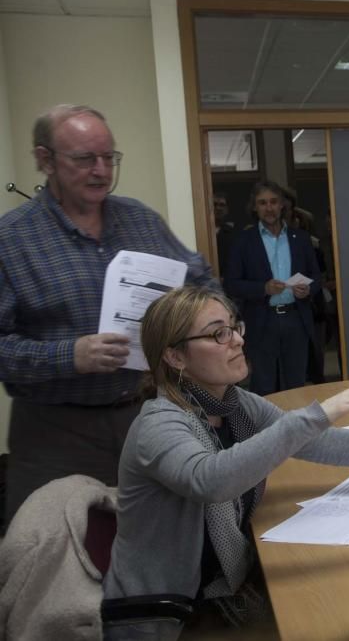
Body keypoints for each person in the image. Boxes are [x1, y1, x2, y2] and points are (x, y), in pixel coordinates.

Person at [102, 286, 349, 637]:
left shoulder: (233, 403)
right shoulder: (159, 423)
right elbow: (212, 480)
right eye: (217, 334)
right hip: (175, 616)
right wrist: (321, 412)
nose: (237, 340)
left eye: (234, 327)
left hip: (224, 594)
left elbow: (318, 442)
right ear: (176, 357)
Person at [0, 104, 217, 528]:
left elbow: (201, 281)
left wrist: (212, 325)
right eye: (85, 159)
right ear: (45, 160)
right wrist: (69, 356)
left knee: (164, 537)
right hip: (55, 432)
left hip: (148, 415)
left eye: (109, 158)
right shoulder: (11, 240)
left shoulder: (141, 221)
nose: (101, 170)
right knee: (51, 554)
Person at [224, 180, 321, 395]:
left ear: (282, 205)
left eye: (273, 202)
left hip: (296, 319)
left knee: (296, 384)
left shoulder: (301, 239)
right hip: (262, 320)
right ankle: (268, 429)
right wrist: (263, 289)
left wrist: (308, 290)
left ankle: (296, 428)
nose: (269, 208)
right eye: (262, 203)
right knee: (264, 386)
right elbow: (231, 284)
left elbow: (316, 277)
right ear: (254, 207)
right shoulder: (243, 241)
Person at [213, 191, 235, 280]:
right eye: (215, 204)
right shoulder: (202, 230)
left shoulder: (233, 233)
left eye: (222, 205)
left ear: (227, 209)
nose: (218, 208)